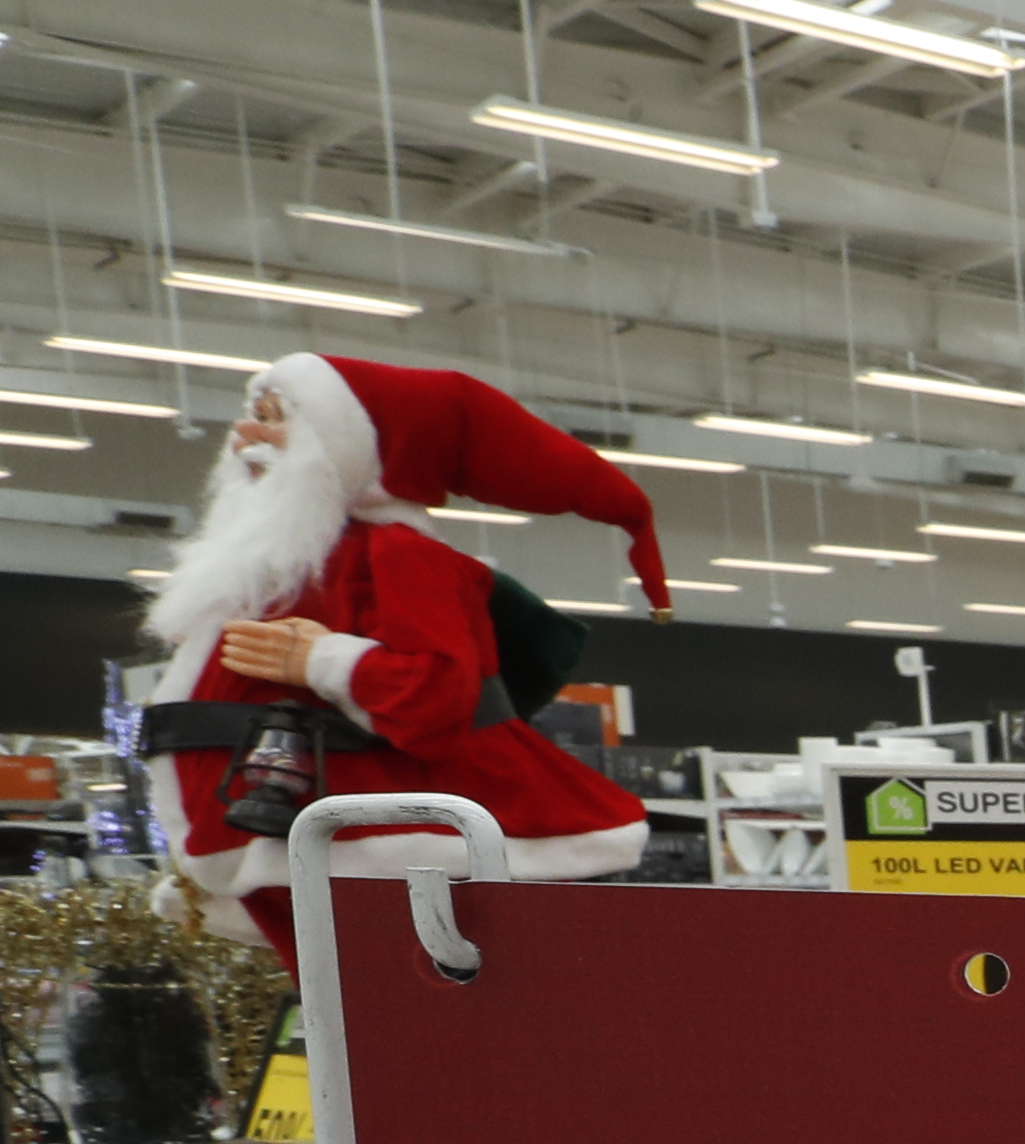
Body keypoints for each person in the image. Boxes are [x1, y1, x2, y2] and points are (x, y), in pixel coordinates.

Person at [137, 353, 668, 954]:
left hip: (373, 852)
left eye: (273, 418)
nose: (245, 436)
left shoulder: (398, 555)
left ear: (345, 444)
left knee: (400, 1016)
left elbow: (440, 690)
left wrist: (323, 660)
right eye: (249, 416)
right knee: (364, 1021)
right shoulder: (279, 564)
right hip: (290, 845)